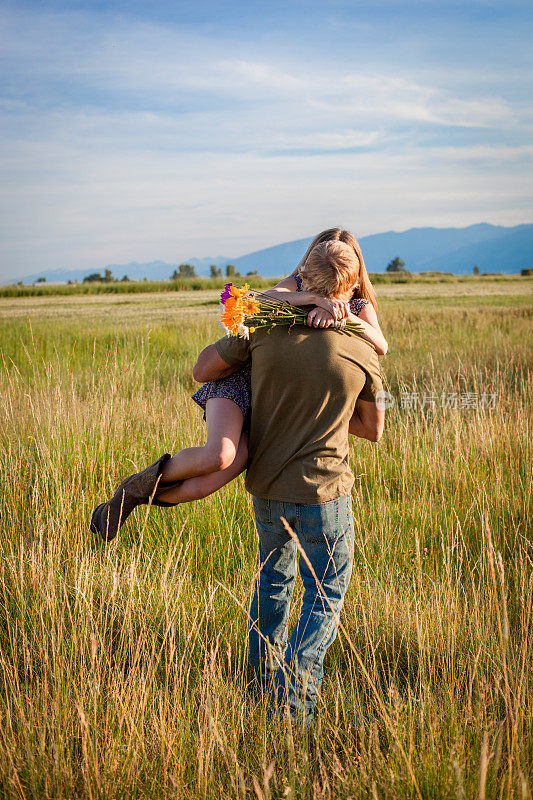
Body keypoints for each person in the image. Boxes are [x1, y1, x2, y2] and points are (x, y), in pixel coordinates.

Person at [191, 231, 386, 727]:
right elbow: (373, 430)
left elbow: (204, 368)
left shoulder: (262, 327)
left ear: (305, 273)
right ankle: (294, 704)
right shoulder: (361, 348)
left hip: (269, 490)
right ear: (352, 284)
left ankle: (260, 689)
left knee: (272, 586)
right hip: (326, 493)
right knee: (324, 598)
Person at [90, 228, 387, 541]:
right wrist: (312, 299)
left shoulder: (357, 305)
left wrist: (340, 315)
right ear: (307, 271)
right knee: (219, 456)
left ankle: (133, 499)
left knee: (209, 483)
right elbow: (253, 303)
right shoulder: (296, 287)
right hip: (240, 380)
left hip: (274, 397)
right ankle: (131, 488)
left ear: (353, 278)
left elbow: (380, 345)